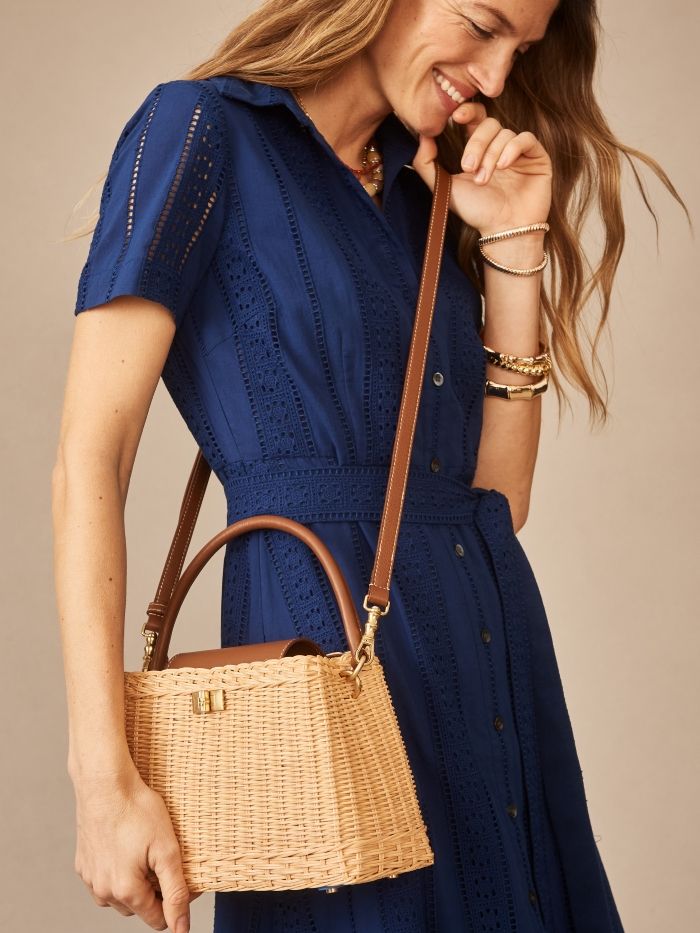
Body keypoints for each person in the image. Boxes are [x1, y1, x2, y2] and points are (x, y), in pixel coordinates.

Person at [53, 0, 688, 931]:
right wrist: (102, 778)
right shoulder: (199, 131)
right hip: (323, 688)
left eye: (523, 48)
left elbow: (493, 503)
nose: (499, 76)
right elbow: (89, 461)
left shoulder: (420, 195)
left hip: (493, 668)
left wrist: (514, 251)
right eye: (483, 24)